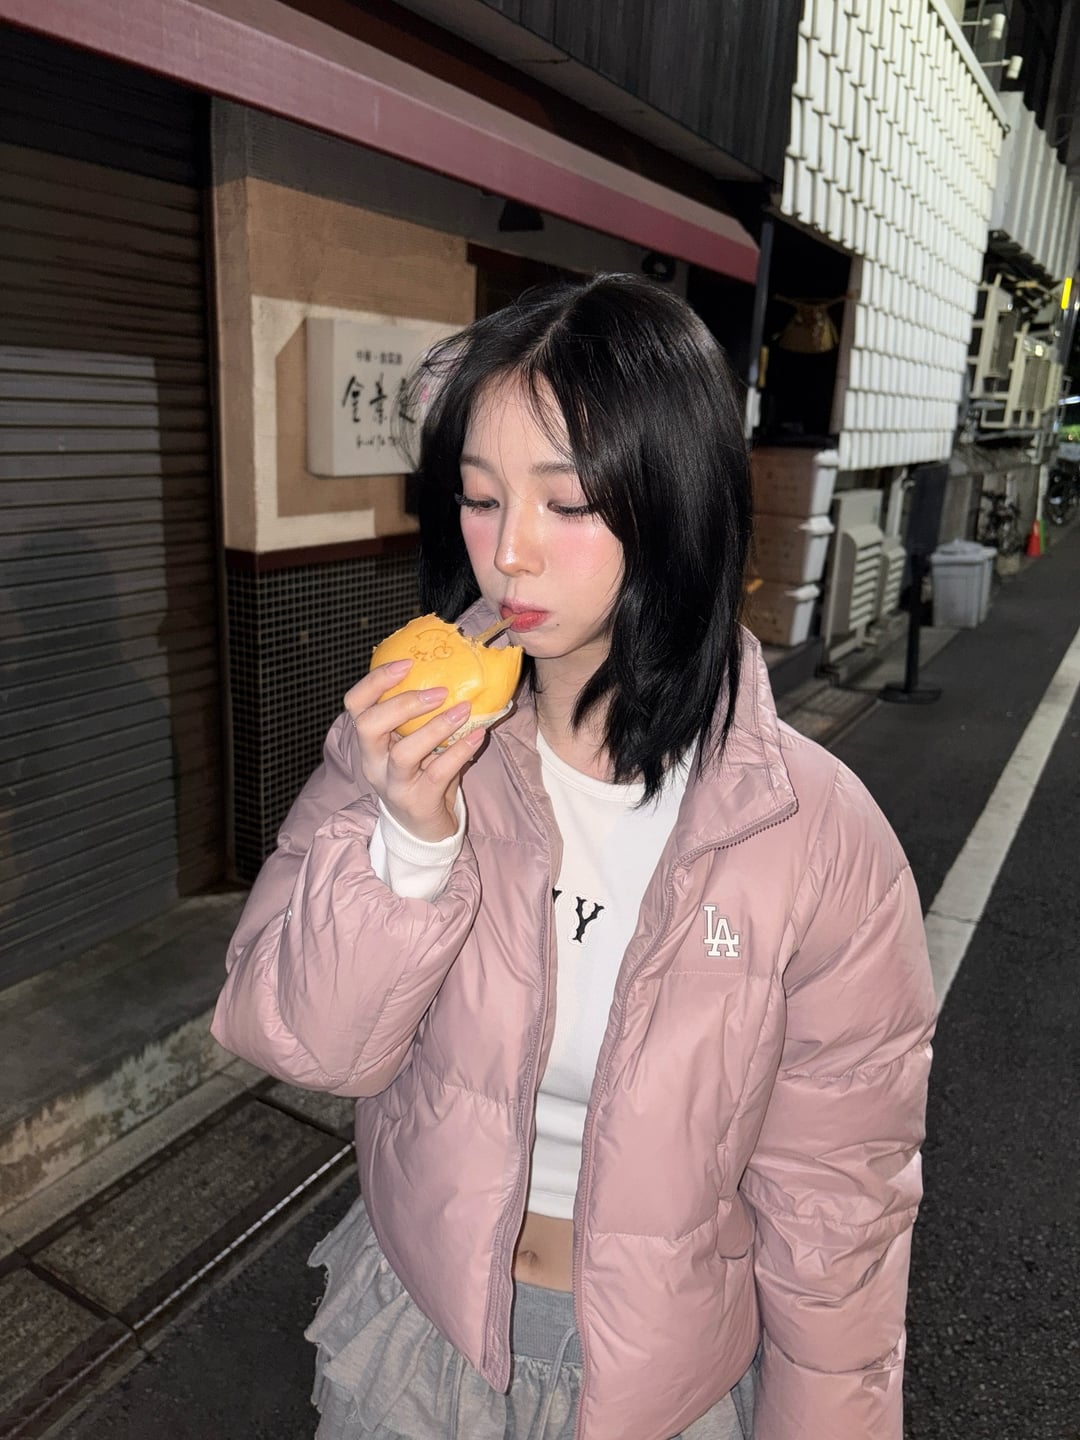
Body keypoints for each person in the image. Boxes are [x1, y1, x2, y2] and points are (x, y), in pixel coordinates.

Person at [212, 273, 936, 1440]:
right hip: (419, 1341)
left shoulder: (816, 838)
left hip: (662, 1386)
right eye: (480, 498)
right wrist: (409, 841)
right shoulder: (409, 737)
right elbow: (299, 1042)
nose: (510, 555)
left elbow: (837, 1213)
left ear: (675, 504)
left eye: (568, 503)